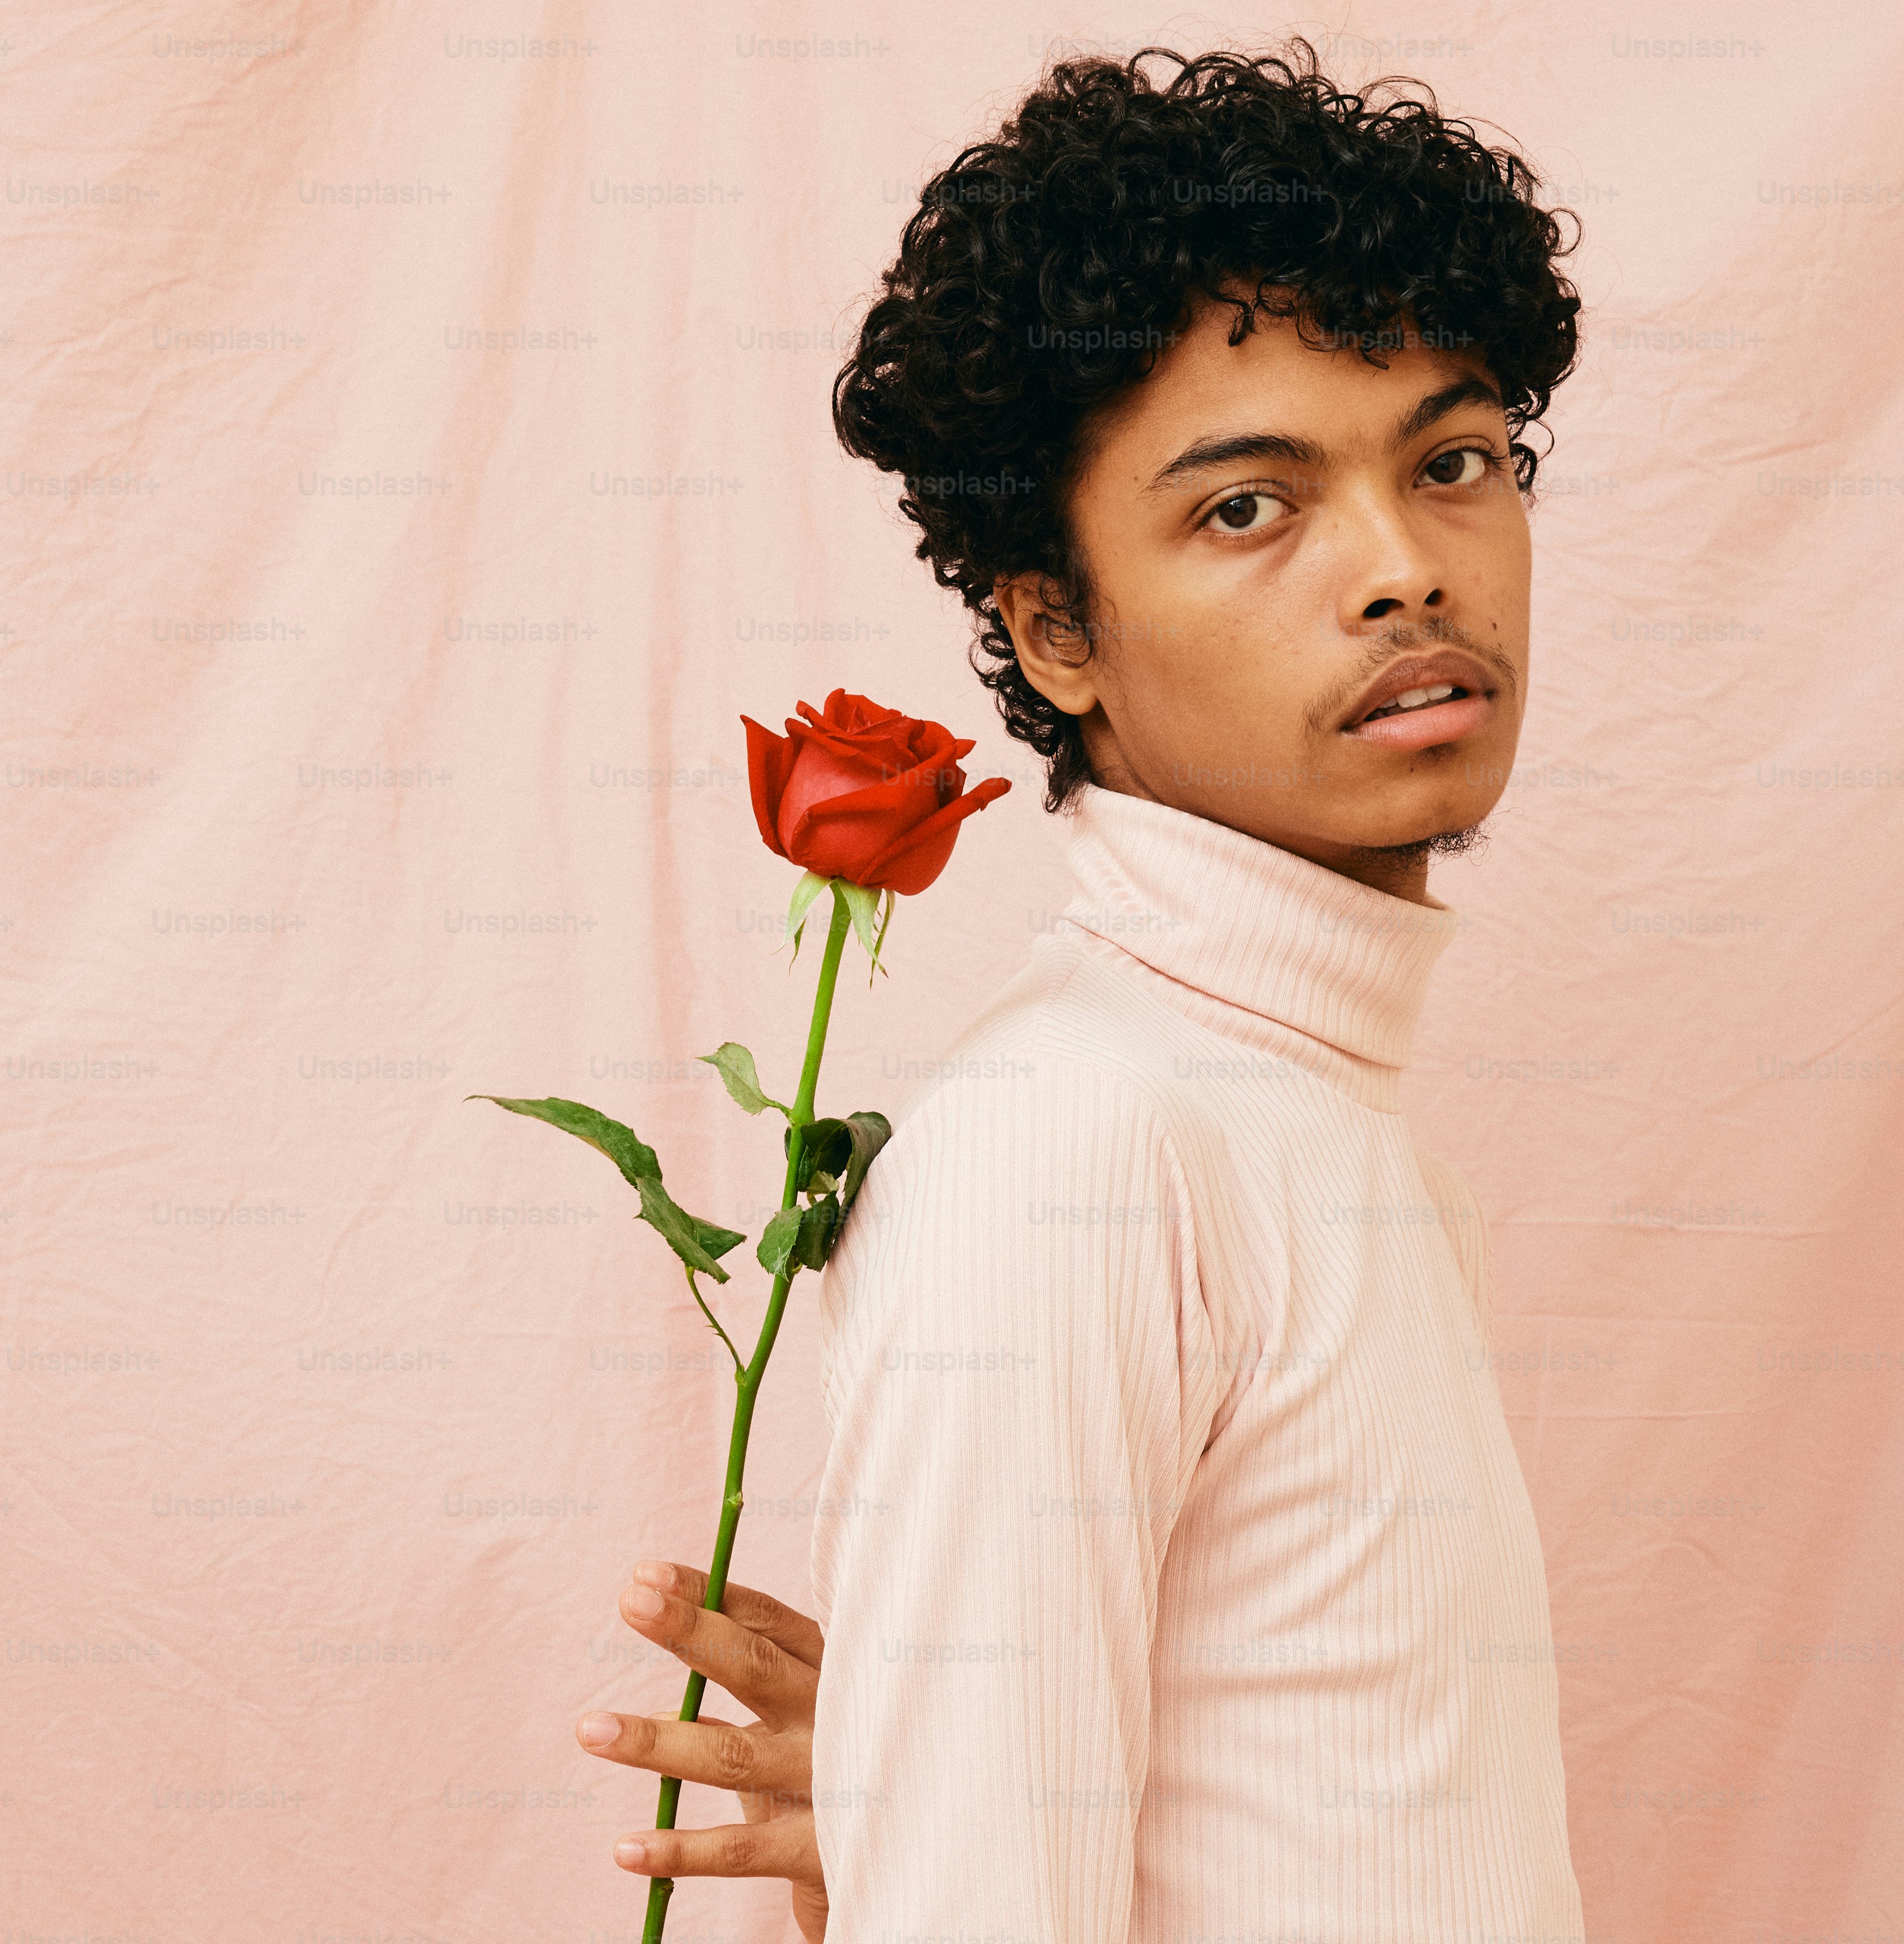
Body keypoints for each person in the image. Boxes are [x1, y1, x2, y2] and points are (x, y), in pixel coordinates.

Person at [578, 39, 1587, 1941]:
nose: (1402, 571)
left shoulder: (1310, 1121)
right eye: (1247, 508)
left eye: (1453, 462)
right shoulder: (1074, 1148)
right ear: (1055, 629)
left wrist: (917, 1806)